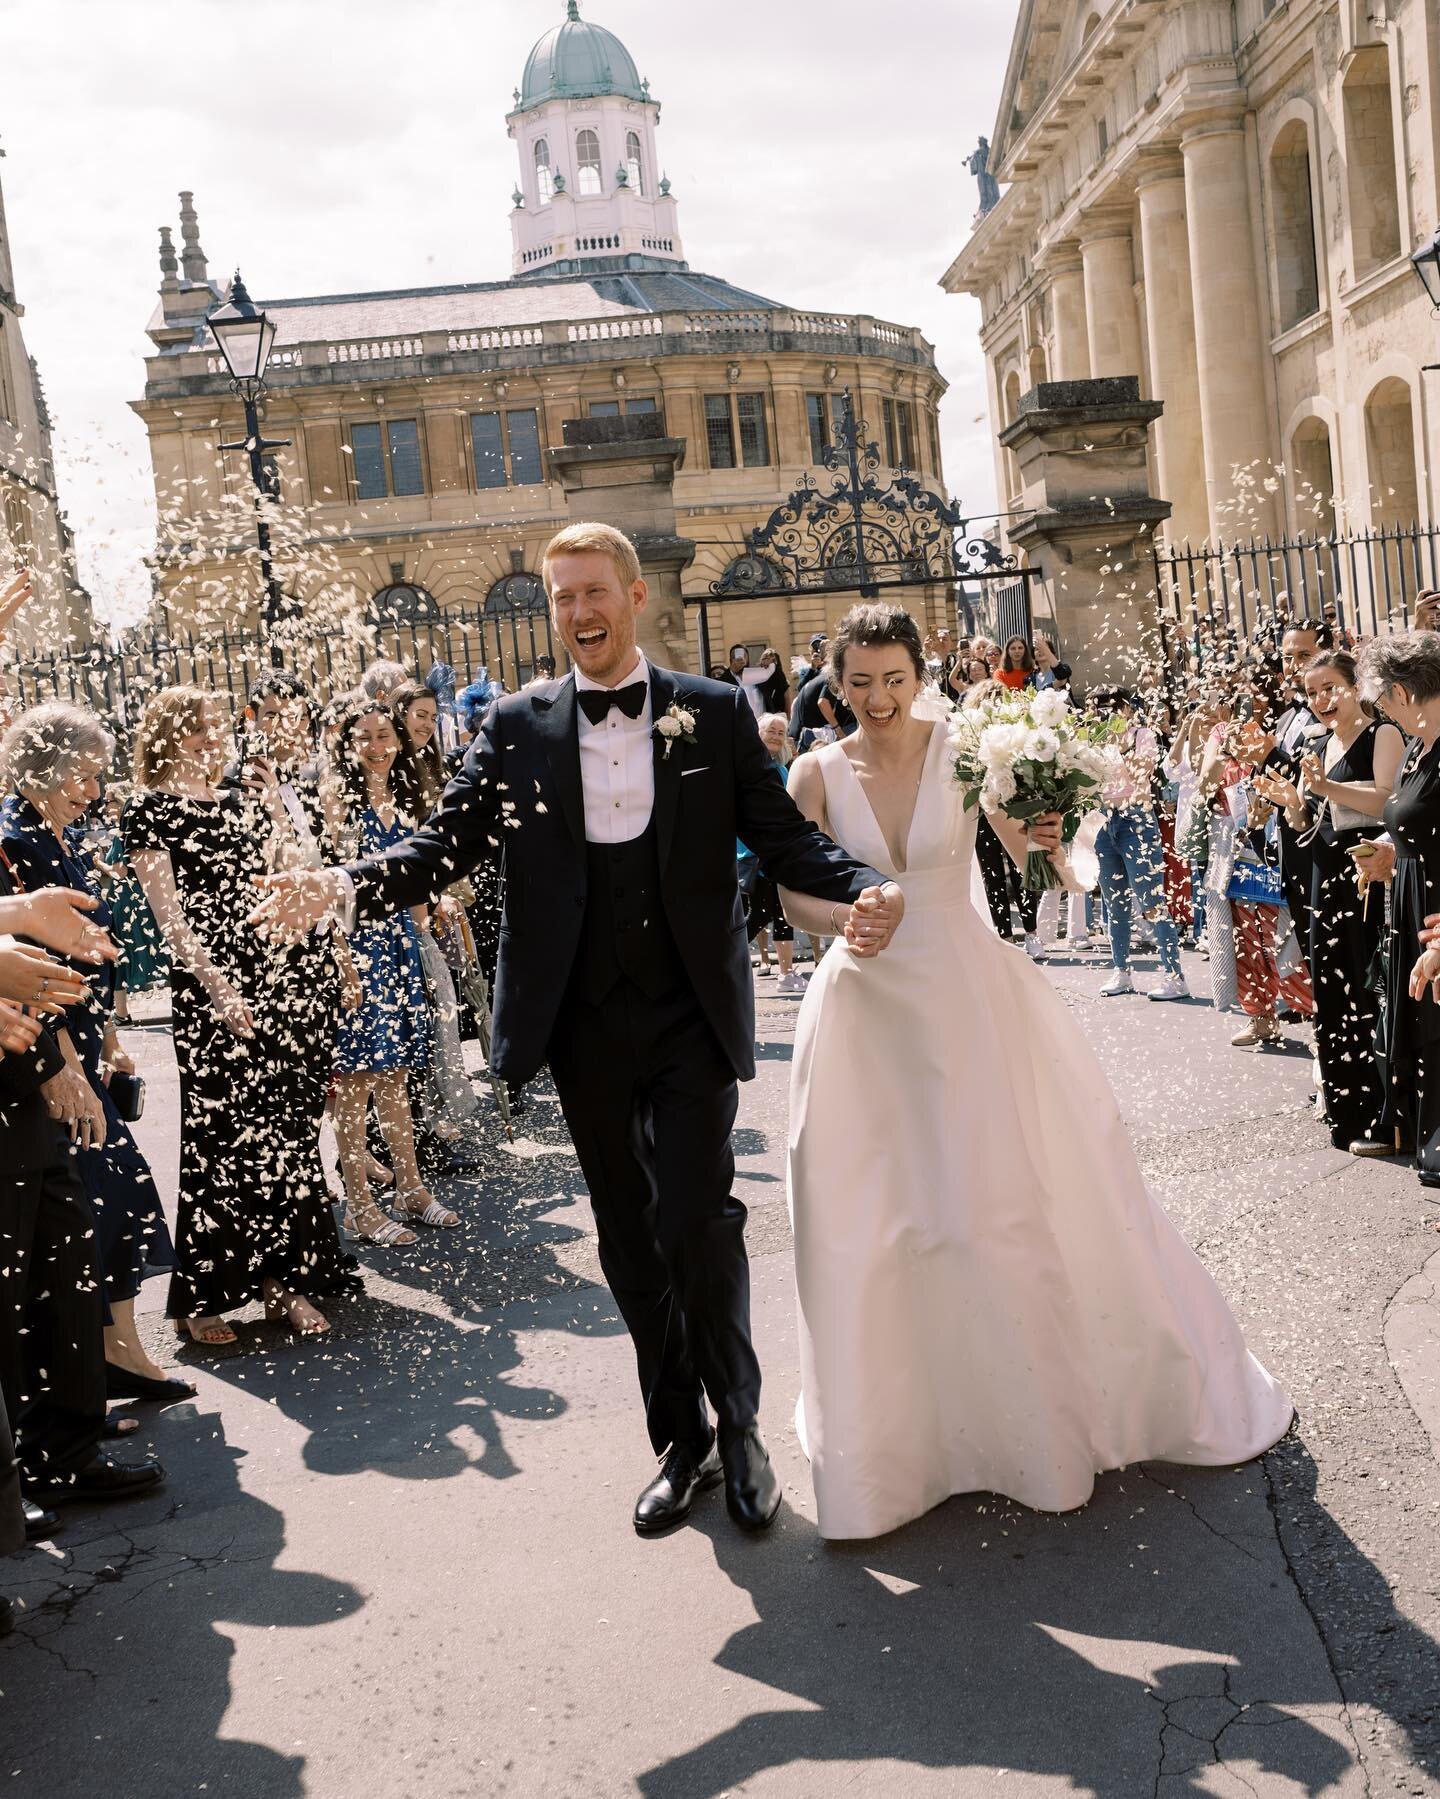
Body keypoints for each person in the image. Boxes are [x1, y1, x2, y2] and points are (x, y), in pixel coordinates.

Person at [250, 520, 902, 1537]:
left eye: (594, 591)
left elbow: (781, 837)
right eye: (562, 597)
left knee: (698, 1217)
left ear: (636, 597)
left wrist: (865, 885)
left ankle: (740, 1426)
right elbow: (442, 843)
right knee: (628, 1235)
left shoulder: (714, 711)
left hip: (690, 1010)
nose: (579, 612)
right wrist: (343, 882)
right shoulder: (513, 725)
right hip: (583, 1022)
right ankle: (676, 1437)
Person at [779, 601, 1293, 1539]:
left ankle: (1027, 1423)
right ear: (834, 682)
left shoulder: (968, 746)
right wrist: (839, 920)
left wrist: (1058, 840)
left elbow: (1034, 859)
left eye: (895, 678)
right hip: (862, 1006)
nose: (879, 698)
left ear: (918, 671)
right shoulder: (813, 772)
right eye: (859, 682)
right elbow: (790, 887)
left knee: (998, 1202)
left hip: (971, 997)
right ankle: (904, 1441)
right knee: (879, 1218)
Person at [125, 686, 361, 1344]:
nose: (215, 737)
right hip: (211, 987)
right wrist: (217, 985)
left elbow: (283, 873)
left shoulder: (238, 795)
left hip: (272, 975)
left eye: (217, 726)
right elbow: (169, 917)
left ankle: (282, 1280)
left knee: (283, 1128)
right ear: (169, 732)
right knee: (221, 1135)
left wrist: (274, 812)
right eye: (200, 727)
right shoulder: (148, 808)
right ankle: (204, 1294)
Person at [0, 703, 189, 1404]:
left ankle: (117, 1352)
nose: (93, 788)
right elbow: (27, 962)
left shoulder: (67, 835)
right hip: (47, 1054)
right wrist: (67, 1063)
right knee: (91, 1207)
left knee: (116, 1201)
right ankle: (90, 1375)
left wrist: (109, 1039)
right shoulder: (13, 841)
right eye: (82, 773)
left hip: (84, 1042)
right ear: (44, 768)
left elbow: (92, 952)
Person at [0, 871, 165, 1513]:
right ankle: (13, 1482)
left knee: (63, 1268)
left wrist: (20, 910)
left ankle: (64, 1454)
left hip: (26, 1077)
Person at [1253, 651, 1401, 1150]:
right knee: (1332, 992)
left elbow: (1388, 800)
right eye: (1312, 692)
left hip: (1367, 878)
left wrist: (1326, 787)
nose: (1321, 700)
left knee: (1368, 989)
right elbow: (1301, 822)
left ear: (1355, 686)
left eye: (1330, 687)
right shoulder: (1316, 742)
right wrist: (1291, 801)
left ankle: (1386, 1115)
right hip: (1321, 877)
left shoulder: (1383, 734)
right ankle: (1346, 1110)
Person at [325, 694, 455, 1238]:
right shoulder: (336, 801)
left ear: (399, 741)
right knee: (356, 1081)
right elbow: (327, 888)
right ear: (347, 745)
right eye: (365, 738)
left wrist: (426, 932)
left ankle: (410, 1186)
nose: (376, 747)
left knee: (397, 1075)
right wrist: (343, 962)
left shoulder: (406, 797)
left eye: (384, 736)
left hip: (399, 945)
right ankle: (358, 1203)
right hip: (357, 949)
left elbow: (413, 879)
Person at [1358, 636, 1440, 1181]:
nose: (1381, 714)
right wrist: (1391, 854)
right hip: (1412, 903)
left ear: (1404, 691)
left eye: (1382, 703)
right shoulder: (1419, 744)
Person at [1088, 690, 1190, 1002]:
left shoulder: (1142, 735)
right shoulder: (1092, 739)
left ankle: (1175, 976)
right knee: (1113, 900)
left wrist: (1114, 744)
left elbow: (1142, 772)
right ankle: (1121, 970)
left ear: (1126, 709)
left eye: (1110, 708)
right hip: (1104, 822)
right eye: (1098, 709)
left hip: (1136, 823)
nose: (1105, 714)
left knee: (1151, 901)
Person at [742, 714, 805, 995]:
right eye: (771, 731)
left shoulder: (781, 771)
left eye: (781, 732)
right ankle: (722, 960)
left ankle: (786, 972)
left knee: (781, 912)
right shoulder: (747, 765)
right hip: (752, 855)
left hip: (776, 854)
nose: (776, 736)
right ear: (758, 733)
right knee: (756, 914)